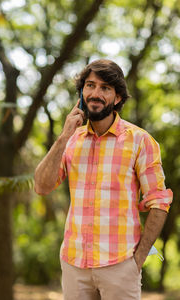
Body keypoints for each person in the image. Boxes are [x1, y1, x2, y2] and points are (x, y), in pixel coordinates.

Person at [34, 59, 173, 300]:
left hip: (120, 265)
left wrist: (137, 261)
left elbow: (159, 203)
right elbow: (41, 186)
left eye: (105, 88)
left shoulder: (140, 141)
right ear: (81, 92)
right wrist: (64, 136)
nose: (95, 93)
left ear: (118, 97)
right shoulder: (71, 140)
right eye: (90, 85)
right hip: (74, 264)